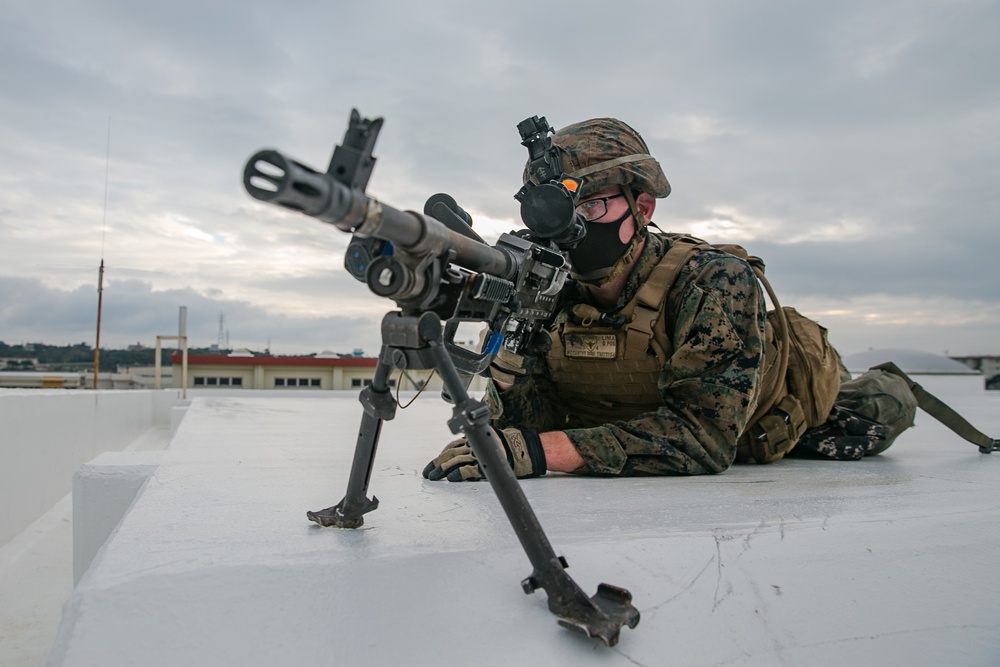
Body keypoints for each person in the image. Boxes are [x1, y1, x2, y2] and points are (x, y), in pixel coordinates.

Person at [423, 117, 768, 481]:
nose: (573, 228)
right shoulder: (550, 287)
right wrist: (509, 374)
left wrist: (543, 452)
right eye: (557, 213)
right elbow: (534, 425)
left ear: (644, 208)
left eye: (589, 206)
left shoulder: (710, 282)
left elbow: (705, 437)